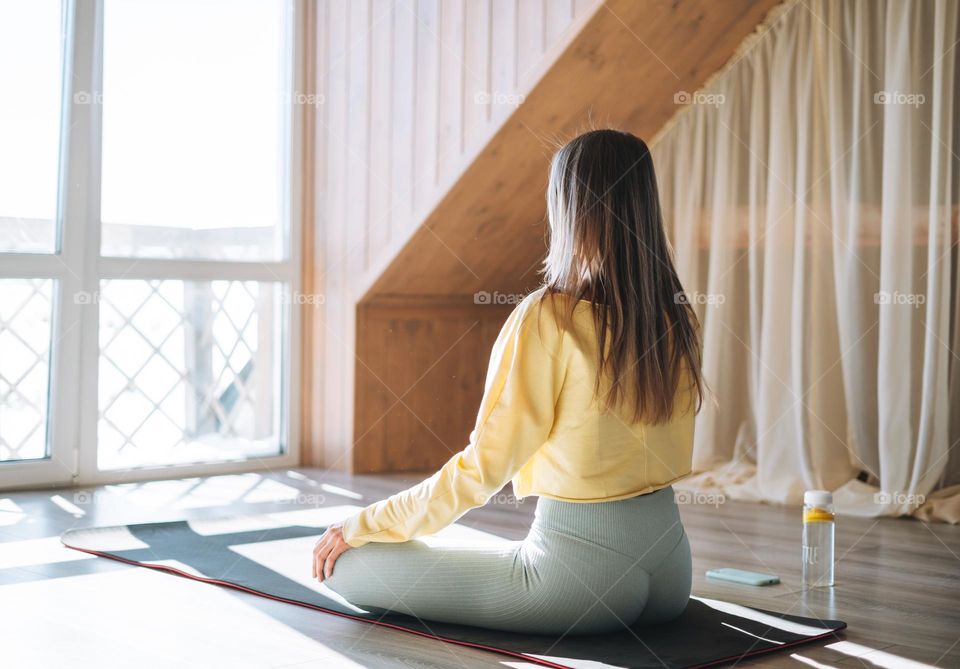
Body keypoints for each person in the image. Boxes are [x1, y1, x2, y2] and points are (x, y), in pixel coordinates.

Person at [312, 128, 705, 635]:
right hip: (671, 572)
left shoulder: (549, 317)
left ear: (570, 210)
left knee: (347, 565)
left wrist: (362, 524)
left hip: (582, 584)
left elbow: (483, 468)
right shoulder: (674, 316)